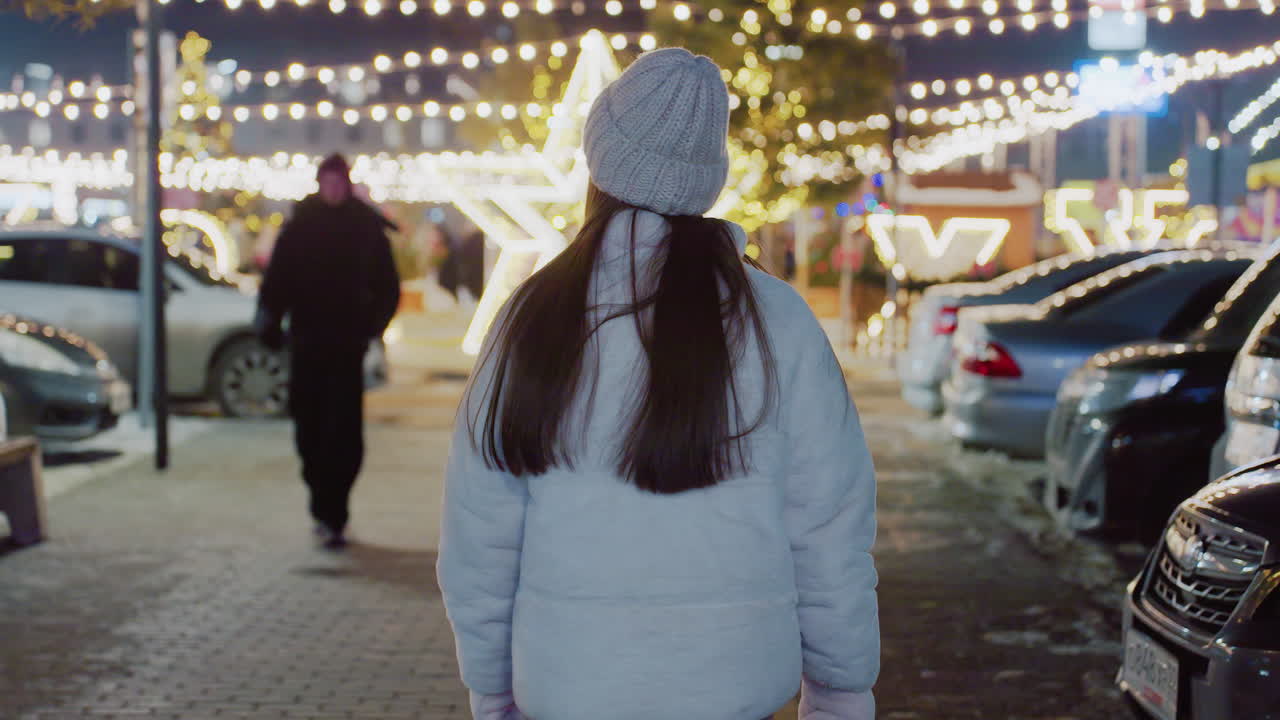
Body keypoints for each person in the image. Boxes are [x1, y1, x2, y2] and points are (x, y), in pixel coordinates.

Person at [437, 48, 879, 720]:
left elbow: (480, 539)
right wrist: (841, 692)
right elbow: (829, 531)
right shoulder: (777, 319)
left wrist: (493, 691)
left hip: (568, 686)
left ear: (599, 165)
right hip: (736, 687)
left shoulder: (531, 317)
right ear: (707, 180)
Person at [255, 153, 401, 550]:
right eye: (328, 182)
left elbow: (388, 285)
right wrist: (269, 319)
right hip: (308, 341)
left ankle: (335, 511)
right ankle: (322, 504)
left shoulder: (365, 228)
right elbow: (278, 280)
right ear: (320, 184)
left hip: (346, 344)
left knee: (344, 431)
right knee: (310, 426)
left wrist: (372, 326)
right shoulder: (300, 227)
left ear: (347, 185)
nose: (334, 190)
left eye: (340, 183)